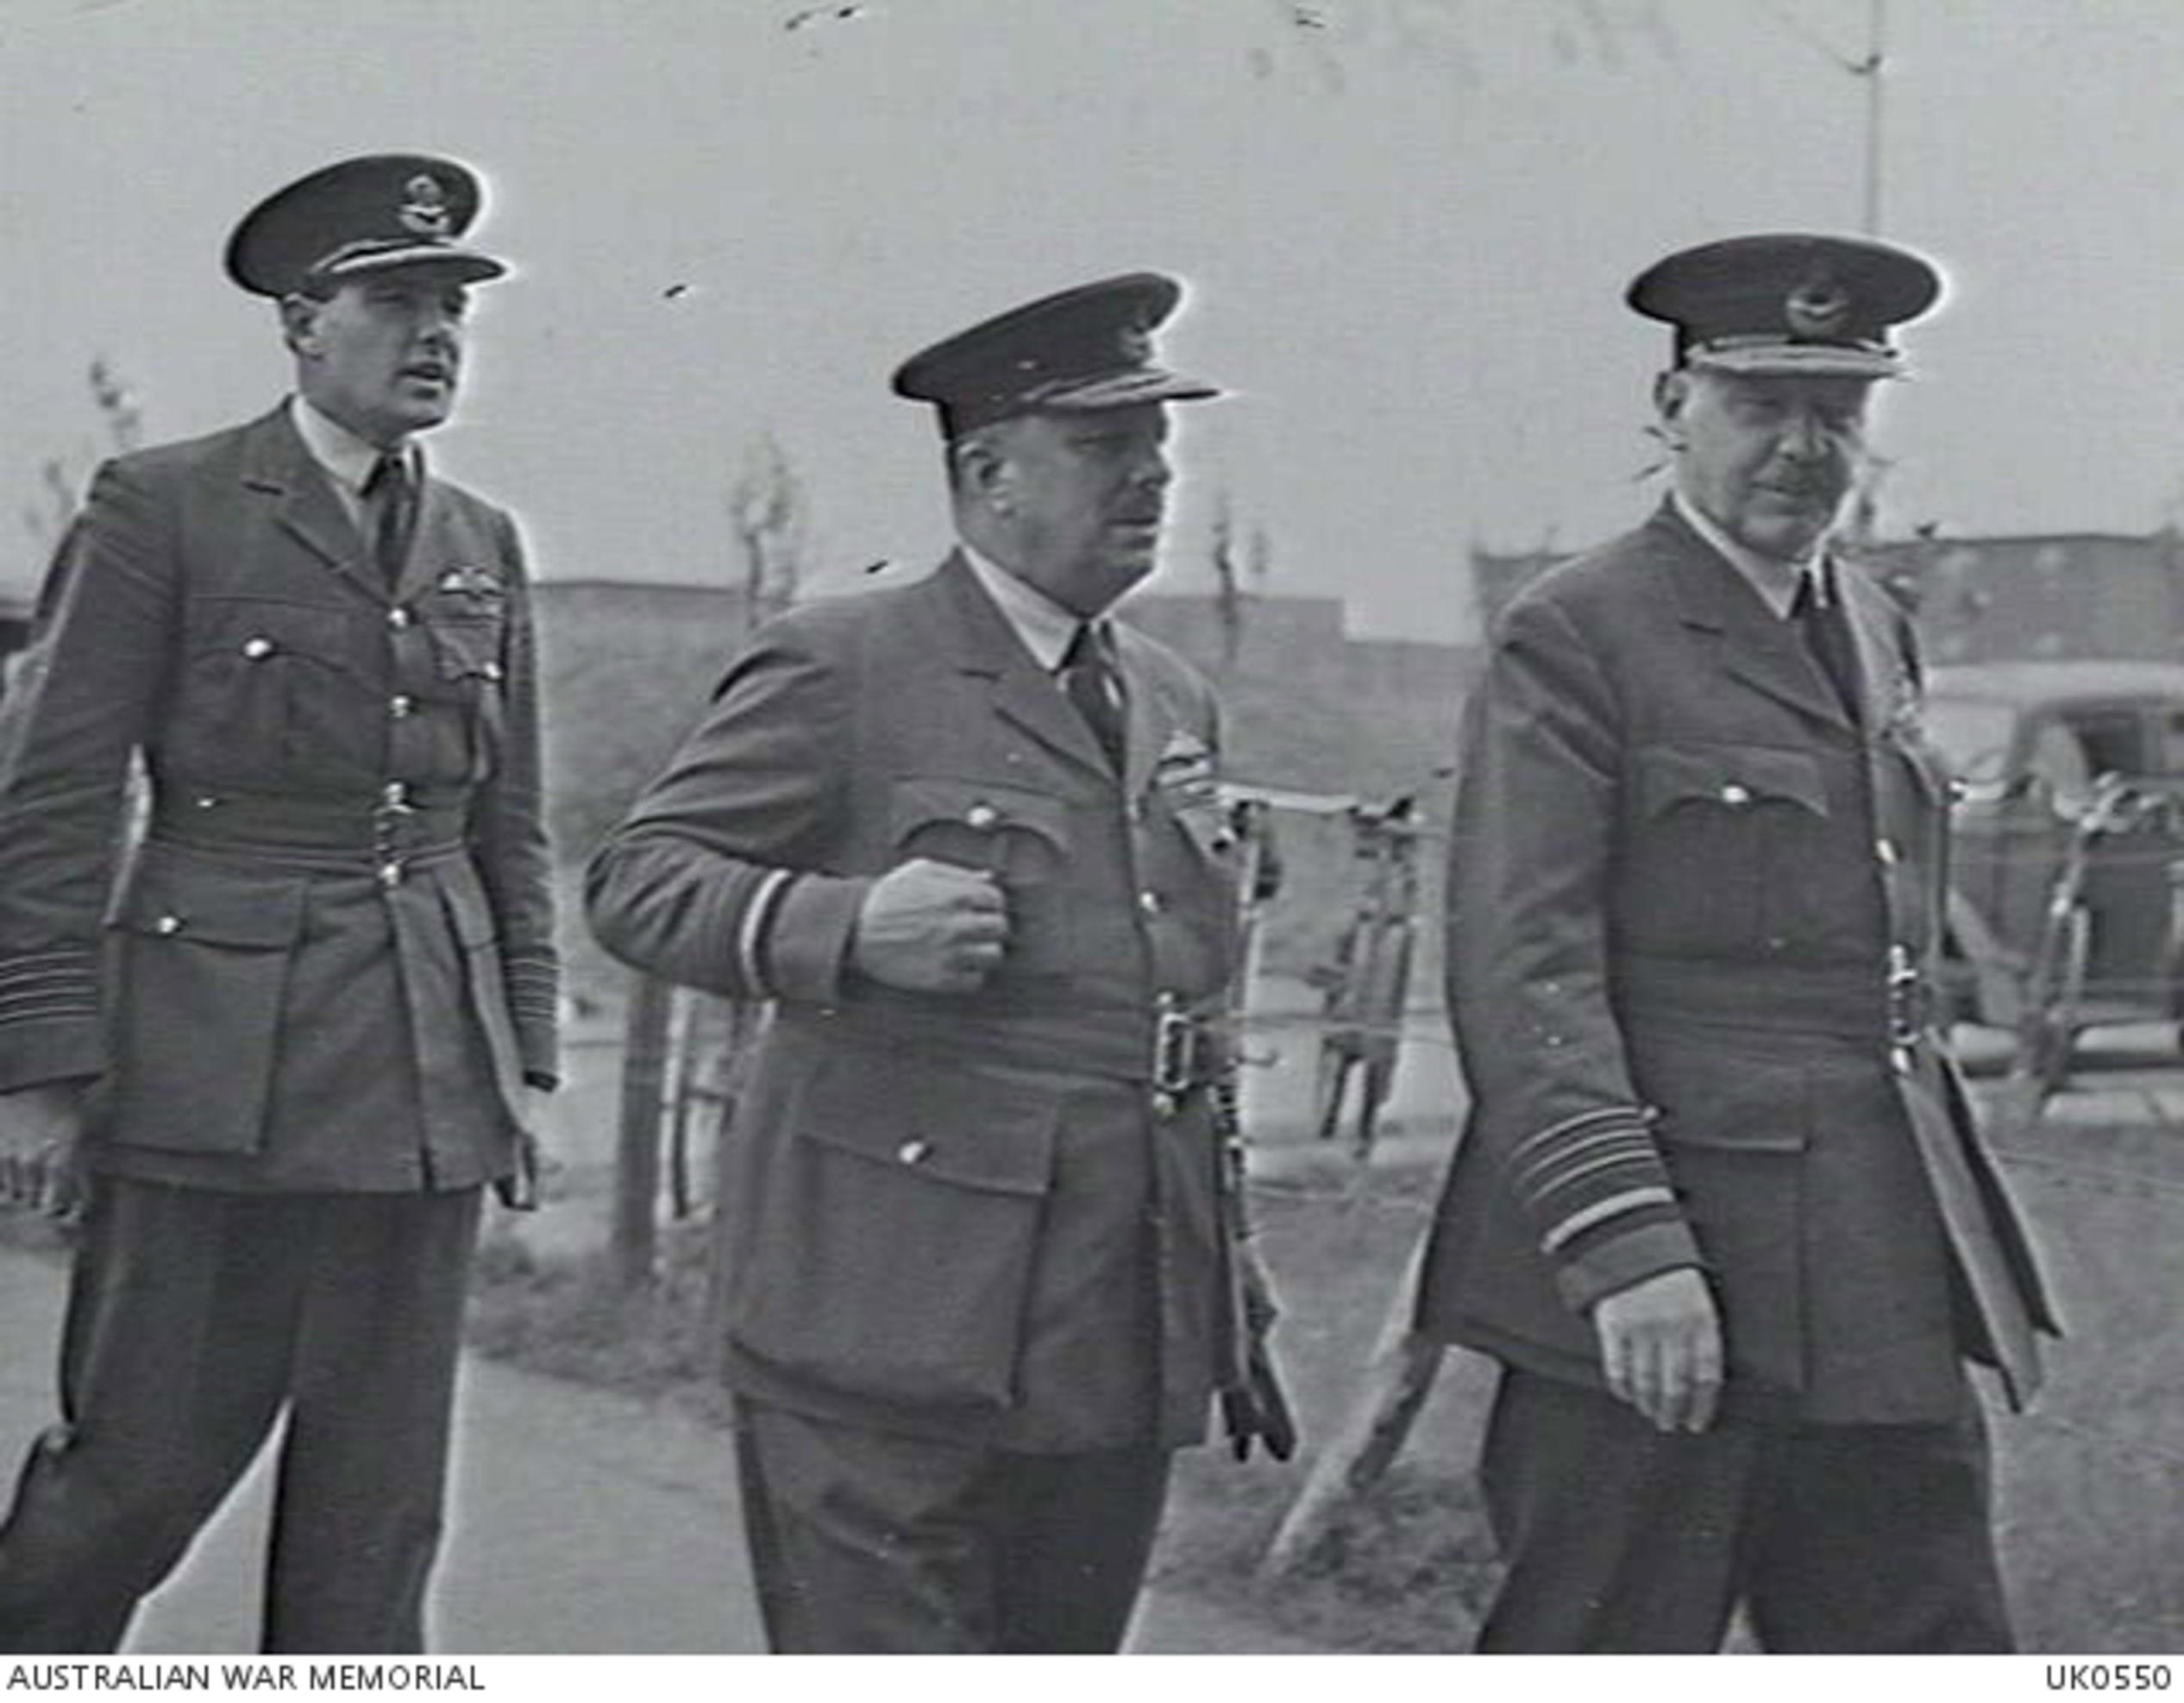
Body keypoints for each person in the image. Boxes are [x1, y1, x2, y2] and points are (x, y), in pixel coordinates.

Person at [586, 273, 1291, 1654]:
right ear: (987, 473)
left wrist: (1232, 1264)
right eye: (1103, 448)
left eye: (1158, 449)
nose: (1150, 479)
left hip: (1108, 1319)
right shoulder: (845, 663)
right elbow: (638, 881)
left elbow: (1181, 1000)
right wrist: (845, 926)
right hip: (884, 1320)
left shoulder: (1166, 691)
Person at [1414, 232, 2059, 1653]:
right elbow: (1527, 973)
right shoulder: (1579, 632)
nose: (1802, 449)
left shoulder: (1876, 624)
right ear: (1672, 411)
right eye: (1762, 406)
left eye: (1837, 412)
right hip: (1671, 1276)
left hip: (1883, 1257)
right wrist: (1627, 1249)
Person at [0, 154, 558, 1653]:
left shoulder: (480, 544)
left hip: (423, 1076)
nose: (436, 331)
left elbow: (506, 822)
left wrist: (523, 1065)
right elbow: (51, 796)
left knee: (378, 1516)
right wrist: (43, 1074)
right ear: (303, 324)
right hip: (206, 1068)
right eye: (397, 300)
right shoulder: (165, 504)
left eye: (452, 305)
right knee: (131, 1477)